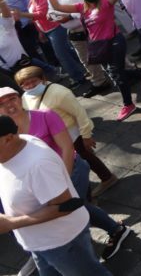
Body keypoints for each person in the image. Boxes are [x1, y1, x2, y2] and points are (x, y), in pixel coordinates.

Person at [0, 87, 131, 263]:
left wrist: (64, 179)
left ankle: (114, 231)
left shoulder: (45, 115)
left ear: (20, 98)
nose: (9, 105)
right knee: (64, 207)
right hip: (41, 179)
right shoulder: (3, 131)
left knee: (72, 205)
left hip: (70, 169)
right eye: (2, 103)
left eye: (12, 99)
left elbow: (67, 148)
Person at [0, 115, 112, 276]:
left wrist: (11, 223)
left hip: (62, 243)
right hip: (39, 243)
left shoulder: (38, 165)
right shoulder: (17, 144)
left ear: (8, 139)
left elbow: (65, 206)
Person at [47, 0, 141, 121]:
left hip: (115, 41)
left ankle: (128, 104)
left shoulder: (106, 2)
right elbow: (57, 6)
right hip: (99, 46)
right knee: (116, 71)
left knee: (116, 73)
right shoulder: (81, 8)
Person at [14, 66, 118, 198]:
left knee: (84, 157)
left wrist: (86, 135)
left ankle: (106, 179)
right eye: (24, 84)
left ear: (43, 79)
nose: (29, 86)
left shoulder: (60, 93)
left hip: (71, 134)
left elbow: (79, 113)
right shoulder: (25, 97)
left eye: (33, 81)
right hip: (50, 137)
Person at [13, 0, 89, 91]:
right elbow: (36, 18)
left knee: (62, 55)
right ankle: (88, 69)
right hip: (47, 30)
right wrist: (40, 32)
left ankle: (79, 78)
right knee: (69, 52)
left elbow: (41, 14)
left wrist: (21, 14)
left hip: (56, 28)